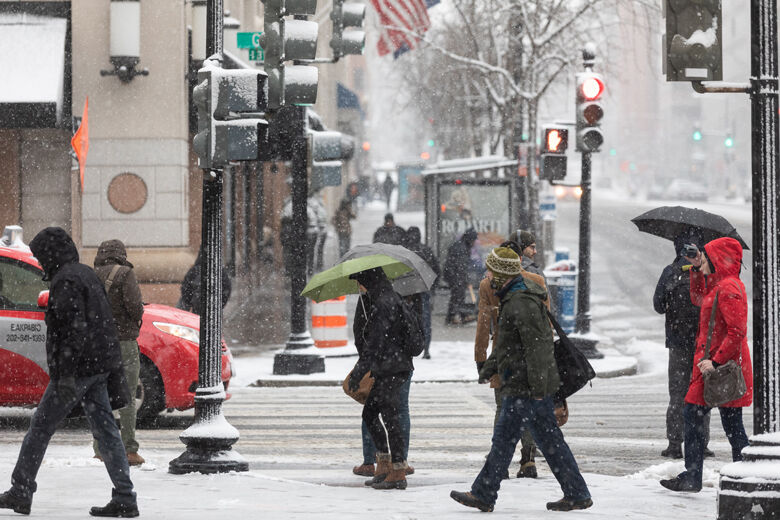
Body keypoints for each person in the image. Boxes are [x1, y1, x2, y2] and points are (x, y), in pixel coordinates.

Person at [0, 227, 138, 518]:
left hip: (78, 370)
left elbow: (72, 331)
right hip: (98, 366)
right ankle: (125, 497)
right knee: (107, 432)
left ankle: (21, 490)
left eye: (39, 255)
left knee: (39, 428)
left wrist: (64, 374)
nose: (38, 261)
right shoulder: (84, 273)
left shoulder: (66, 281)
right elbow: (101, 325)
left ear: (51, 253)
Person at [451, 246, 592, 513]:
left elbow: (538, 348)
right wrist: (489, 367)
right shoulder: (512, 297)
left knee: (506, 441)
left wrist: (539, 390)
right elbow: (507, 345)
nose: (488, 275)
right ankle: (576, 492)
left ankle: (484, 492)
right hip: (523, 384)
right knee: (545, 442)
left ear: (501, 274)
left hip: (526, 387)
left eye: (492, 270)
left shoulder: (520, 302)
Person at [661, 237, 752, 493]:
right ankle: (699, 475)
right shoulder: (719, 285)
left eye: (705, 256)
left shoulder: (729, 288)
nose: (701, 259)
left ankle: (740, 474)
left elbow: (737, 332)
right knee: (699, 414)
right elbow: (699, 298)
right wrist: (695, 268)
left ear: (718, 259)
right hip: (710, 366)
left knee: (729, 422)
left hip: (721, 368)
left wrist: (716, 360)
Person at [475, 241, 550, 480]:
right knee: (529, 409)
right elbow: (546, 323)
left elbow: (483, 323)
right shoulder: (536, 282)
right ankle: (528, 458)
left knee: (504, 408)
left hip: (503, 353)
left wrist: (481, 356)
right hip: (532, 354)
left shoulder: (488, 285)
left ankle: (499, 460)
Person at [348, 268, 414, 490]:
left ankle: (397, 471)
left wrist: (358, 373)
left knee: (390, 417)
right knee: (372, 413)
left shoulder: (383, 304)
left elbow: (375, 344)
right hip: (394, 365)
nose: (360, 287)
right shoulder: (392, 297)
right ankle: (386, 463)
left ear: (369, 281)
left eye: (360, 282)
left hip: (391, 367)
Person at [653, 231, 712, 459]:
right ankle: (701, 442)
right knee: (702, 392)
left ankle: (675, 444)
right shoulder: (706, 271)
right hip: (702, 344)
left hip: (678, 342)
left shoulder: (670, 272)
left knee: (677, 394)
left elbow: (658, 306)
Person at [92, 240, 146, 467]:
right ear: (121, 254)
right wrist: (134, 320)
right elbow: (135, 306)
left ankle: (99, 448)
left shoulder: (91, 275)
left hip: (98, 344)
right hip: (123, 342)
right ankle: (129, 449)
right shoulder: (125, 274)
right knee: (127, 396)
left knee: (99, 396)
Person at [403, 226, 439, 359]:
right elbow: (436, 270)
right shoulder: (426, 250)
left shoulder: (404, 251)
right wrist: (432, 288)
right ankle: (426, 349)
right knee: (425, 321)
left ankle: (409, 347)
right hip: (424, 290)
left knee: (407, 320)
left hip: (408, 291)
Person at [179, 248, 232, 315]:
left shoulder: (195, 270)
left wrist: (190, 302)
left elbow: (185, 290)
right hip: (212, 309)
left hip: (199, 308)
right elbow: (226, 288)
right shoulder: (220, 271)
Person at [443, 228, 478, 325]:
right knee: (458, 296)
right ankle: (453, 317)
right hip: (455, 276)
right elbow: (460, 266)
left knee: (457, 296)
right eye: (474, 240)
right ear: (470, 239)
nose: (475, 242)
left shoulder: (461, 245)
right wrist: (465, 279)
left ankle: (455, 316)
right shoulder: (462, 248)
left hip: (453, 275)